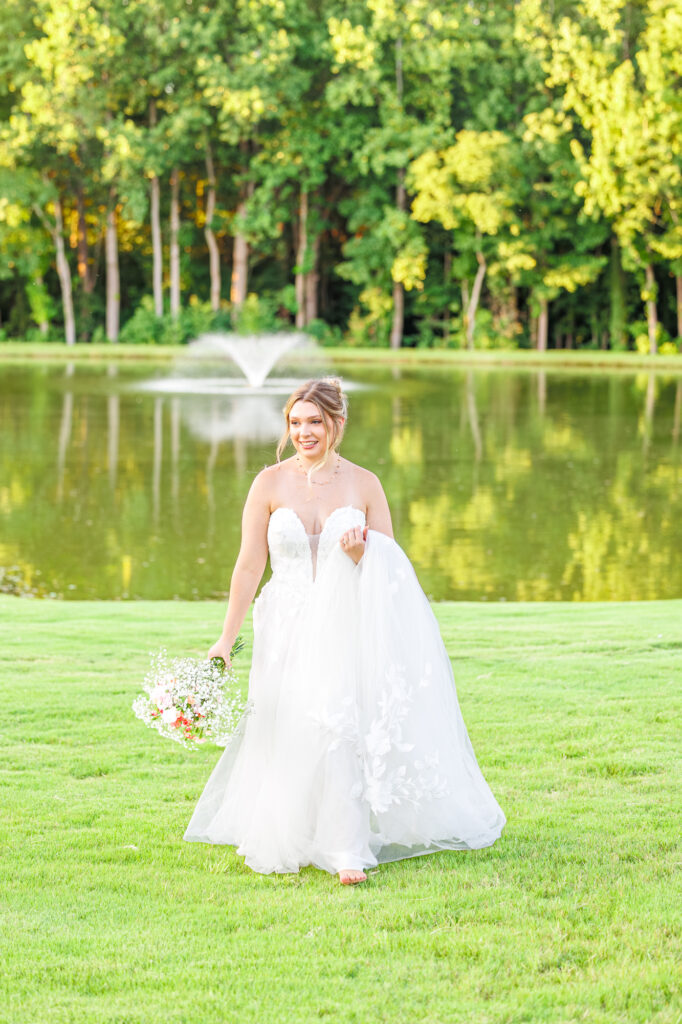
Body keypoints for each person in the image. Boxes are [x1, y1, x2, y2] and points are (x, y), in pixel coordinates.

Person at [184, 377, 505, 884]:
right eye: (295, 422)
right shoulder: (267, 483)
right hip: (284, 621)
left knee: (338, 722)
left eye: (315, 421)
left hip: (345, 618)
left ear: (337, 423)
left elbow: (393, 569)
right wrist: (225, 638)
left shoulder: (365, 483)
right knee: (286, 723)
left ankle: (346, 847)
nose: (304, 432)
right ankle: (286, 830)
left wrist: (364, 554)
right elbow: (248, 566)